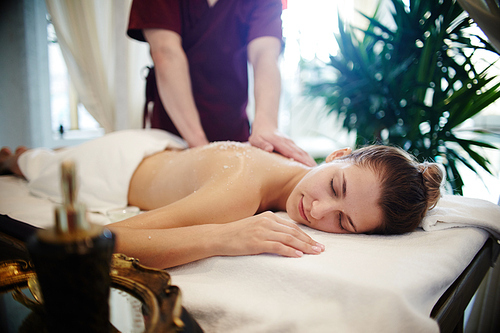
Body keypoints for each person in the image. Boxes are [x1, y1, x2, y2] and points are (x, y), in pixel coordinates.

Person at [0, 130, 443, 269]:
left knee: (36, 157)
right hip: (115, 167)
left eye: (344, 223)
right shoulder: (238, 194)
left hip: (159, 146)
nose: (319, 210)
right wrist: (223, 237)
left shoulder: (299, 171)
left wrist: (320, 180)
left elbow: (319, 189)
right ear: (338, 155)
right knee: (32, 165)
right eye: (336, 187)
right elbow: (103, 239)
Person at [127, 0, 316, 167]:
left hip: (235, 131)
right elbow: (166, 52)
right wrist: (200, 147)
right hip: (173, 137)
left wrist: (266, 126)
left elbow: (264, 55)